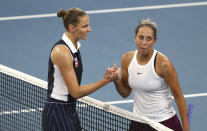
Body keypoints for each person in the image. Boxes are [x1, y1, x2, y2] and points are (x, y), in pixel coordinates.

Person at [42, 8, 118, 131]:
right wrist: (106, 80)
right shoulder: (62, 52)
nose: (89, 29)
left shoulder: (75, 48)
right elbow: (75, 92)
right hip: (57, 112)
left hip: (69, 110)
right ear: (72, 28)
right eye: (85, 26)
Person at [111, 19, 190, 131]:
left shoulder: (164, 64)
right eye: (141, 37)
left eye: (149, 39)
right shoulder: (127, 59)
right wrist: (116, 80)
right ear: (135, 38)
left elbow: (178, 96)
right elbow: (125, 93)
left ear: (154, 41)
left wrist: (186, 128)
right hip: (138, 122)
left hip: (164, 123)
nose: (144, 43)